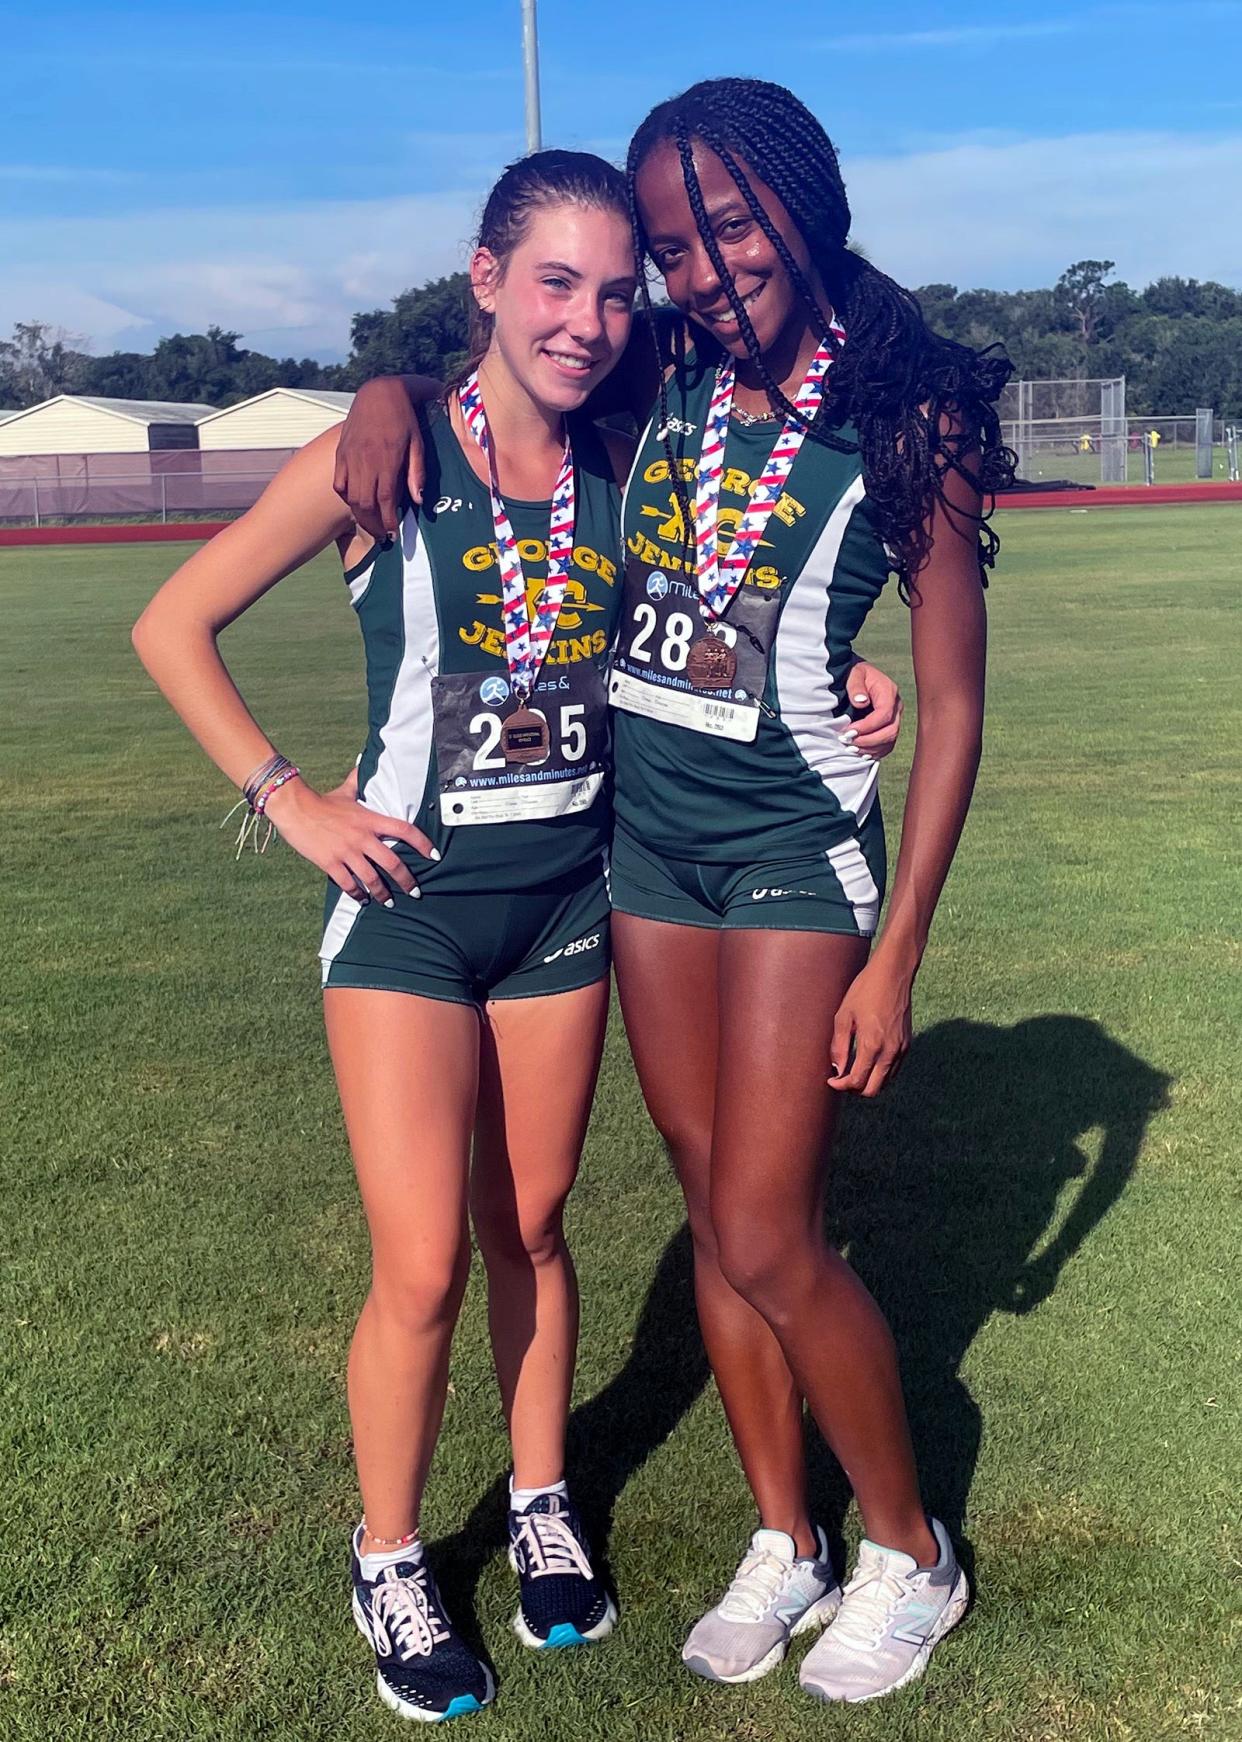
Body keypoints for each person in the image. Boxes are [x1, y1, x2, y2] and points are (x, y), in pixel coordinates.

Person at [335, 76, 1014, 1709]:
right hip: (647, 849)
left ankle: (910, 1551)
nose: (702, 271)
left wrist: (898, 946)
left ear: (800, 200)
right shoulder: (669, 376)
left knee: (774, 1223)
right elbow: (513, 359)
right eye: (673, 246)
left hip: (794, 850)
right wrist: (381, 385)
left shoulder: (904, 414)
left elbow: (957, 709)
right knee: (712, 1209)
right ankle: (784, 1535)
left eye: (726, 227)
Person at [133, 149, 643, 1725]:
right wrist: (286, 800)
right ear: (484, 278)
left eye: (617, 290)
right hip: (410, 918)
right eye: (554, 280)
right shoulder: (384, 450)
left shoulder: (629, 451)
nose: (588, 318)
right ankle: (390, 1550)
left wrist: (860, 690)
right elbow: (172, 621)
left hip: (569, 903)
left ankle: (543, 1496)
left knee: (536, 1227)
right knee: (419, 1263)